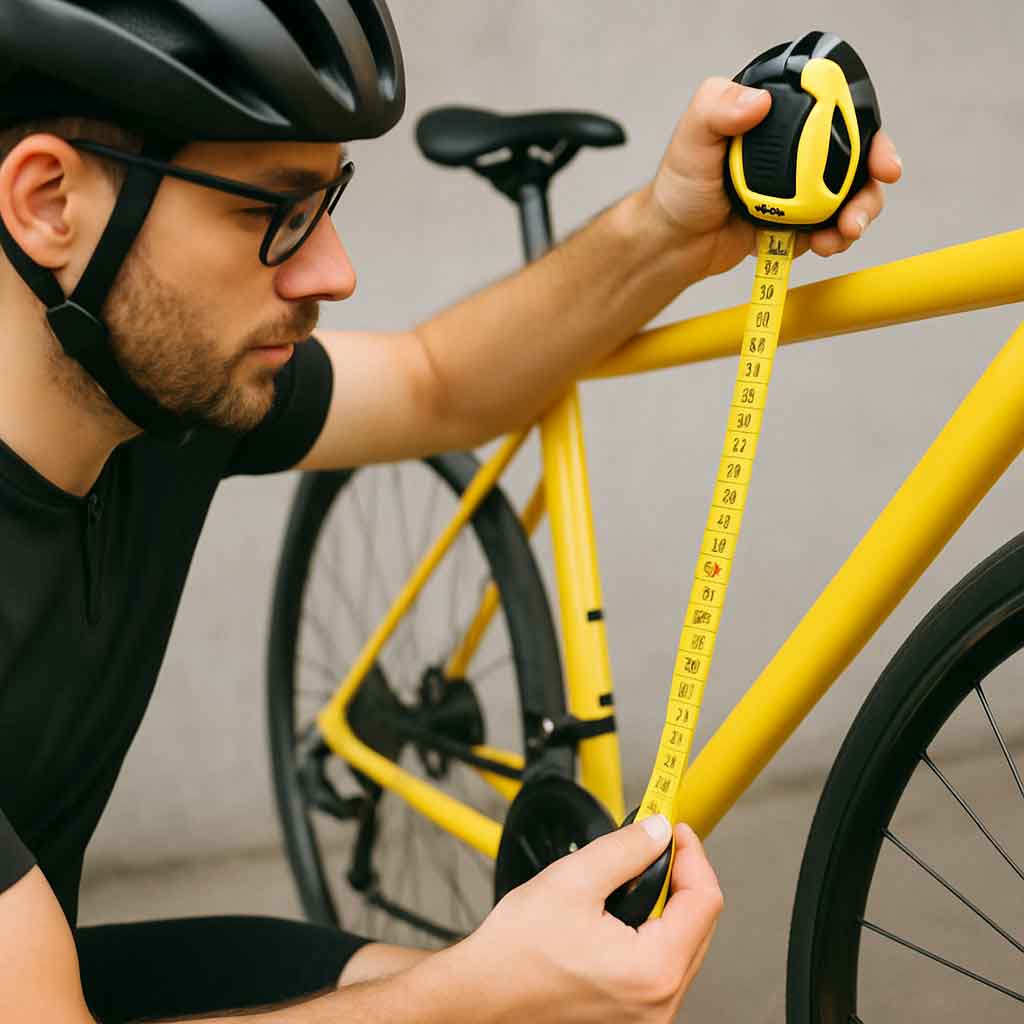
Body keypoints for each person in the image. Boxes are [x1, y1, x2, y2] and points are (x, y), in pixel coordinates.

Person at [0, 2, 901, 1022]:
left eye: (328, 202)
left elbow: (440, 384)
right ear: (48, 201)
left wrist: (675, 227)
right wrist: (477, 995)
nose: (335, 271)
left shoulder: (147, 398)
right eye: (272, 215)